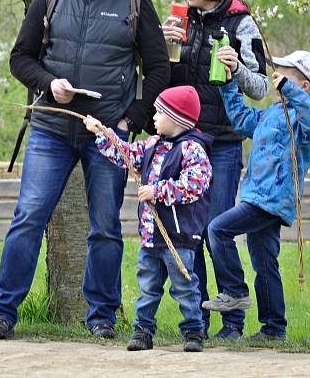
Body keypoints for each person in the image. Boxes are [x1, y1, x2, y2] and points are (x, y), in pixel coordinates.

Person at [0, 0, 170, 340]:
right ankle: (2, 313)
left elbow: (158, 70)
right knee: (29, 217)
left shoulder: (136, 1)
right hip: (51, 127)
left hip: (108, 135)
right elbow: (20, 58)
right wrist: (48, 83)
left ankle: (102, 316)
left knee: (105, 225)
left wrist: (130, 122)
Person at [161, 0, 268, 340]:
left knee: (214, 228)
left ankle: (234, 321)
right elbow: (162, 82)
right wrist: (160, 47)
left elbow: (259, 88)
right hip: (186, 140)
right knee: (188, 231)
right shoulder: (179, 20)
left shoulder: (241, 24)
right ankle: (198, 319)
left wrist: (236, 67)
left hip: (222, 141)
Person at [202, 50, 310, 341]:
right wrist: (228, 83)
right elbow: (242, 118)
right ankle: (274, 329)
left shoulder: (304, 117)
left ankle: (234, 291)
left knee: (217, 229)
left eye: (283, 74)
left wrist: (289, 89)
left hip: (272, 199)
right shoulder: (271, 114)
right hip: (256, 196)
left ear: (303, 85)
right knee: (265, 261)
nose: (275, 78)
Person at [83, 85, 213, 352]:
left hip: (179, 237)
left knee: (185, 287)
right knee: (148, 287)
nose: (153, 117)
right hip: (150, 237)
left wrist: (158, 191)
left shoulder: (193, 149)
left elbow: (195, 185)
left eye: (158, 112)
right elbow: (127, 155)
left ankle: (193, 332)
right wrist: (103, 133)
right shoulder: (152, 144)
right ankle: (143, 331)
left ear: (176, 118)